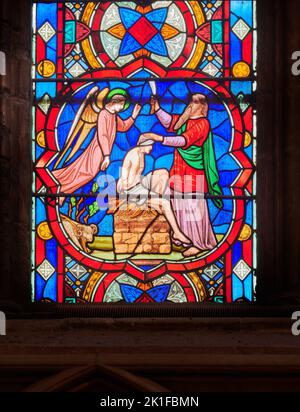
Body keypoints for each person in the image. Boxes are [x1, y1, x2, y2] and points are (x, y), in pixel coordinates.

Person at [145, 93, 223, 257]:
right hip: (179, 171)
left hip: (193, 173)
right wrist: (157, 108)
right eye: (190, 101)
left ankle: (200, 243)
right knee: (179, 205)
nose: (190, 105)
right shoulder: (185, 120)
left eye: (194, 102)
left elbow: (184, 140)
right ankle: (184, 238)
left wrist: (157, 138)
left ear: (202, 107)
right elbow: (171, 123)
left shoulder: (203, 123)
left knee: (192, 209)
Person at [52, 88, 141, 205]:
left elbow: (123, 127)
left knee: (79, 169)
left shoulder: (113, 116)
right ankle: (63, 190)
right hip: (98, 149)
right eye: (122, 104)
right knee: (89, 173)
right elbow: (102, 135)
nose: (122, 108)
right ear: (114, 102)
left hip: (102, 151)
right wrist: (106, 156)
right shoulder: (103, 114)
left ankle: (61, 188)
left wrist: (133, 116)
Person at [117, 139, 192, 247]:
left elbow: (137, 177)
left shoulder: (140, 153)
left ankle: (159, 205)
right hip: (131, 191)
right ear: (145, 144)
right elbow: (124, 177)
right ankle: (176, 233)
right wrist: (126, 190)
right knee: (165, 203)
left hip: (139, 186)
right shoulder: (132, 155)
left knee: (163, 173)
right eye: (150, 145)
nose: (151, 148)